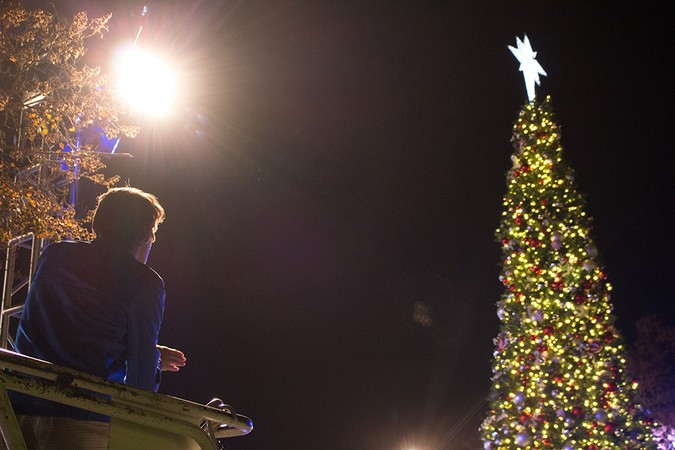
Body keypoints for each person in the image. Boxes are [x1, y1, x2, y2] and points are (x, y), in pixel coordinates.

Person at [2, 187, 186, 450]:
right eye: (153, 235)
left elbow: (65, 331)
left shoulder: (55, 255)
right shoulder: (146, 283)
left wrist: (149, 353)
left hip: (13, 408)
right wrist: (151, 359)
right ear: (146, 232)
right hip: (77, 417)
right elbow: (140, 385)